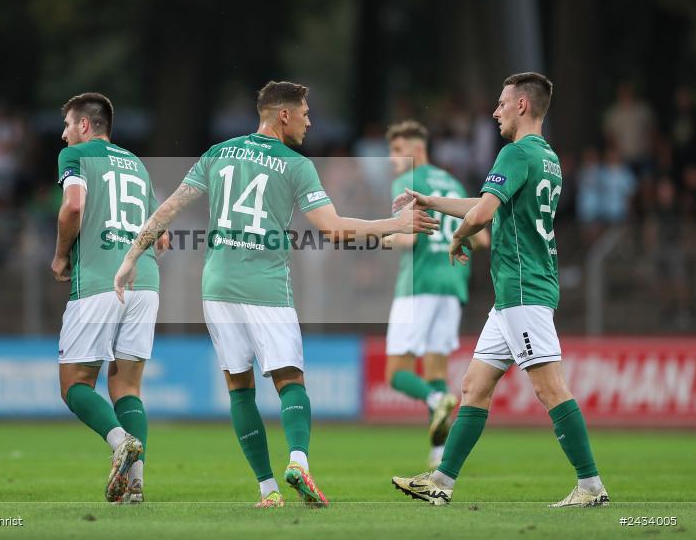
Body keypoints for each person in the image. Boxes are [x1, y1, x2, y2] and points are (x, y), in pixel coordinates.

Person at [115, 81, 439, 508]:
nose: (310, 121)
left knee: (239, 387)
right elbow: (334, 228)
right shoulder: (295, 164)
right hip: (266, 286)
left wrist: (131, 256)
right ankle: (299, 463)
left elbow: (169, 208)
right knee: (290, 382)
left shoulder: (219, 153)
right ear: (283, 114)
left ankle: (267, 490)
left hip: (217, 286)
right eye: (305, 112)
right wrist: (395, 225)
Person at [391, 72, 609, 508]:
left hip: (523, 290)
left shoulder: (515, 152)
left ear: (522, 106)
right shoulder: (546, 157)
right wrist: (433, 203)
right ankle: (442, 481)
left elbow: (483, 213)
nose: (495, 111)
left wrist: (457, 237)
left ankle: (590, 486)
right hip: (516, 291)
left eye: (501, 103)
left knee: (550, 389)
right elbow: (484, 204)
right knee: (473, 386)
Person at [51, 92, 165, 504]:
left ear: (85, 125)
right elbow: (163, 232)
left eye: (67, 125)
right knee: (128, 388)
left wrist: (62, 255)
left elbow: (73, 207)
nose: (63, 134)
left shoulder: (76, 157)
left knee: (75, 385)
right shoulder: (135, 164)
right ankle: (136, 484)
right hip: (144, 281)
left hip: (100, 281)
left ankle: (119, 441)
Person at [382, 120, 488, 469]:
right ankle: (439, 453)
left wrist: (384, 236)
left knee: (397, 373)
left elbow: (408, 237)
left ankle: (435, 398)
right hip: (453, 284)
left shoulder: (407, 181)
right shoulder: (454, 184)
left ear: (417, 149)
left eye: (397, 151)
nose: (393, 159)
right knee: (436, 367)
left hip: (418, 285)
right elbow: (481, 238)